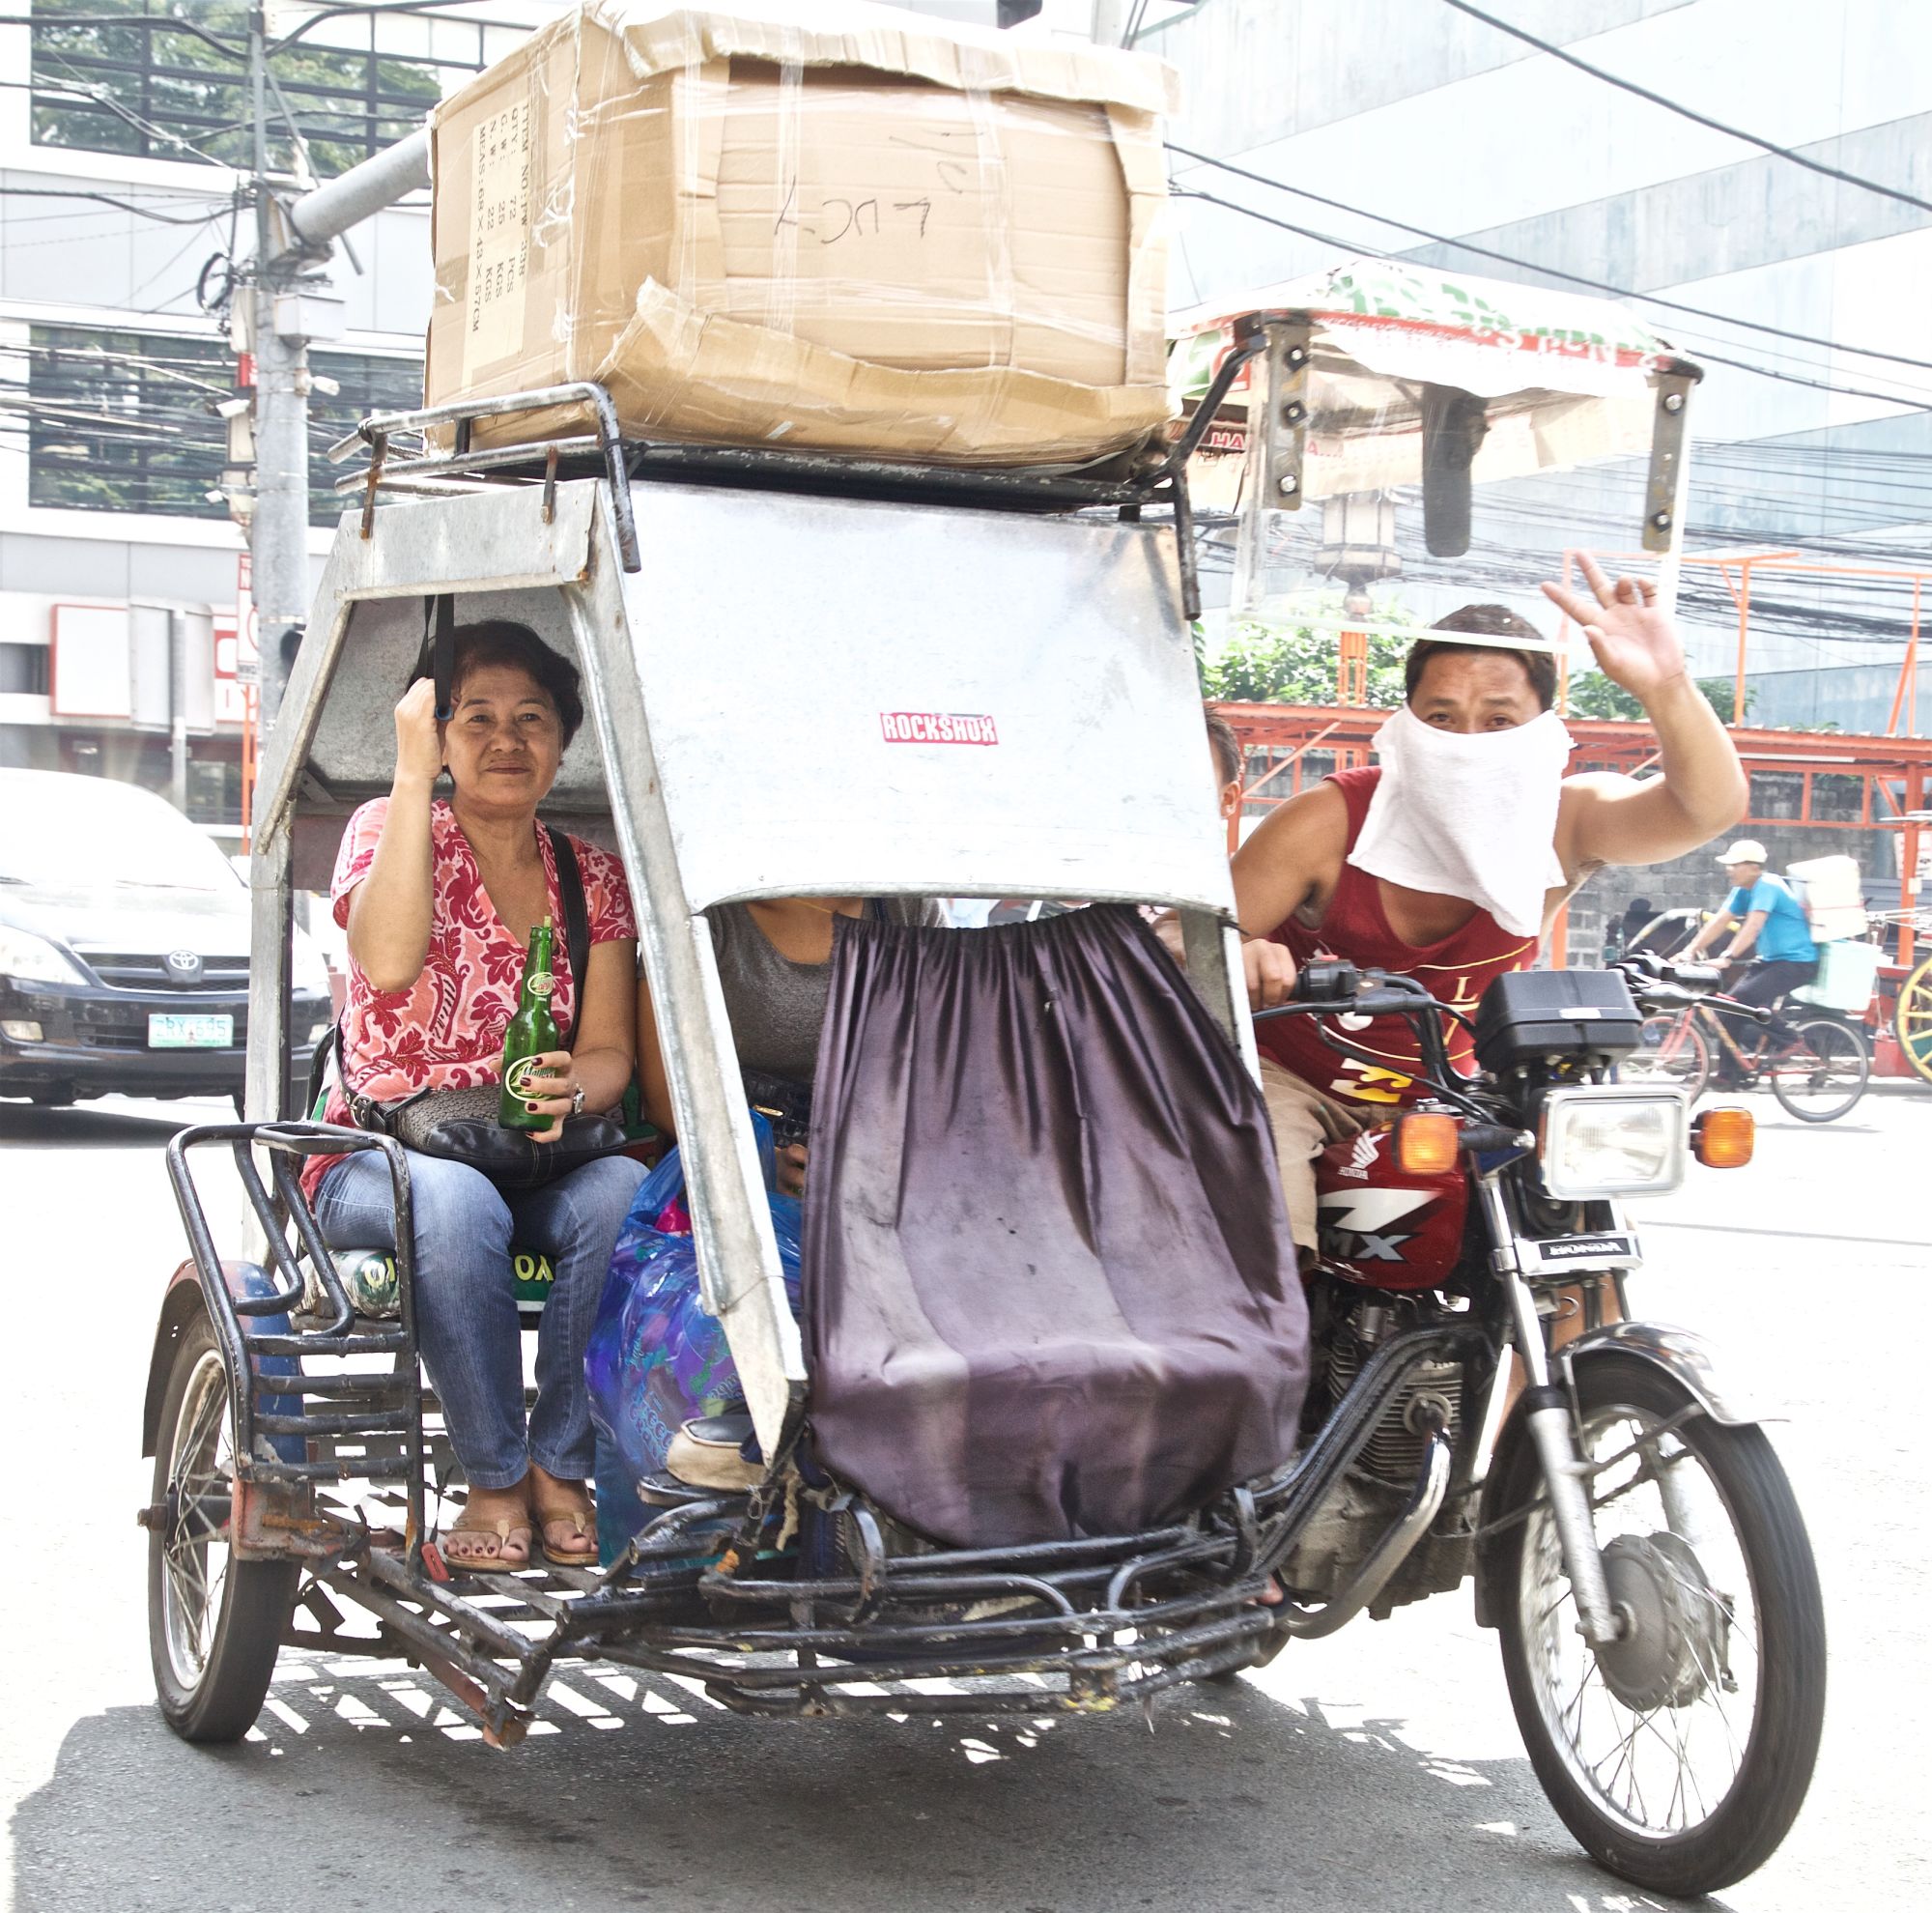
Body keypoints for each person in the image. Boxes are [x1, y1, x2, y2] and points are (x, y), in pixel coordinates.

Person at [1227, 557, 1748, 1257]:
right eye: (1441, 717)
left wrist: (1667, 686)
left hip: (1454, 1092)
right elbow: (1179, 936)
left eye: (1499, 718)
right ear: (1406, 723)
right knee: (1271, 1257)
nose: (1467, 743)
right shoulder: (1326, 822)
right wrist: (1238, 948)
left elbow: (1704, 809)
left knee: (1569, 1238)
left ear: (1541, 728)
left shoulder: (1568, 819)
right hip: (1292, 1082)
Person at [304, 620, 646, 1571]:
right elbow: (384, 959)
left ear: (563, 739)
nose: (507, 740)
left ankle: (559, 1466)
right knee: (453, 1204)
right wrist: (411, 779)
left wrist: (571, 1082)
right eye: (477, 719)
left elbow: (611, 1052)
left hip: (532, 1153)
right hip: (379, 1158)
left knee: (624, 1196)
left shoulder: (593, 878)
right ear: (439, 735)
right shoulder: (385, 827)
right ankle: (493, 1477)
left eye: (531, 719)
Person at [635, 894, 945, 1198]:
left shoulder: (907, 904)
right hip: (728, 1182)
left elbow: (943, 1069)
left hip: (877, 1175)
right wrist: (762, 1162)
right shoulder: (702, 908)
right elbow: (664, 1097)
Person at [1682, 838, 1818, 1080]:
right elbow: (1720, 921)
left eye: (1735, 865)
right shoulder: (1743, 891)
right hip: (1771, 961)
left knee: (1745, 999)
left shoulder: (1768, 885)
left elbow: (1753, 926)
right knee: (1730, 1007)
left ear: (1754, 867)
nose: (1729, 870)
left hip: (1797, 962)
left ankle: (1791, 1041)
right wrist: (1690, 950)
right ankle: (1729, 1075)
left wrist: (1728, 957)